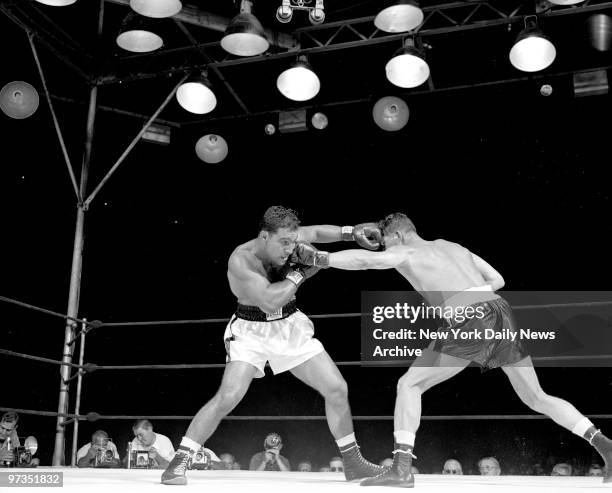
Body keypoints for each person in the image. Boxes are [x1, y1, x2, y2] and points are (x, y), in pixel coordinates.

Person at [292, 212, 612, 487]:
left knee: (409, 384)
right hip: (499, 310)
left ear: (401, 234)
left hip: (470, 317)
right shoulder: (451, 247)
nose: (386, 250)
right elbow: (497, 279)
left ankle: (402, 468)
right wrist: (472, 298)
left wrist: (322, 259)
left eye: (388, 243)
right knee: (535, 397)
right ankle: (605, 445)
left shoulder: (407, 252)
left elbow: (366, 261)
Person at [161, 206, 383, 485]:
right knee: (228, 396)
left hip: (288, 325)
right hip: (250, 331)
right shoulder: (242, 261)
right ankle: (179, 462)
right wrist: (303, 271)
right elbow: (268, 300)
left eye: (293, 242)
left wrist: (351, 232)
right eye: (284, 243)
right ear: (264, 236)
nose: (290, 249)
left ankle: (352, 462)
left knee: (337, 388)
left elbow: (314, 232)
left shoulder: (287, 238)